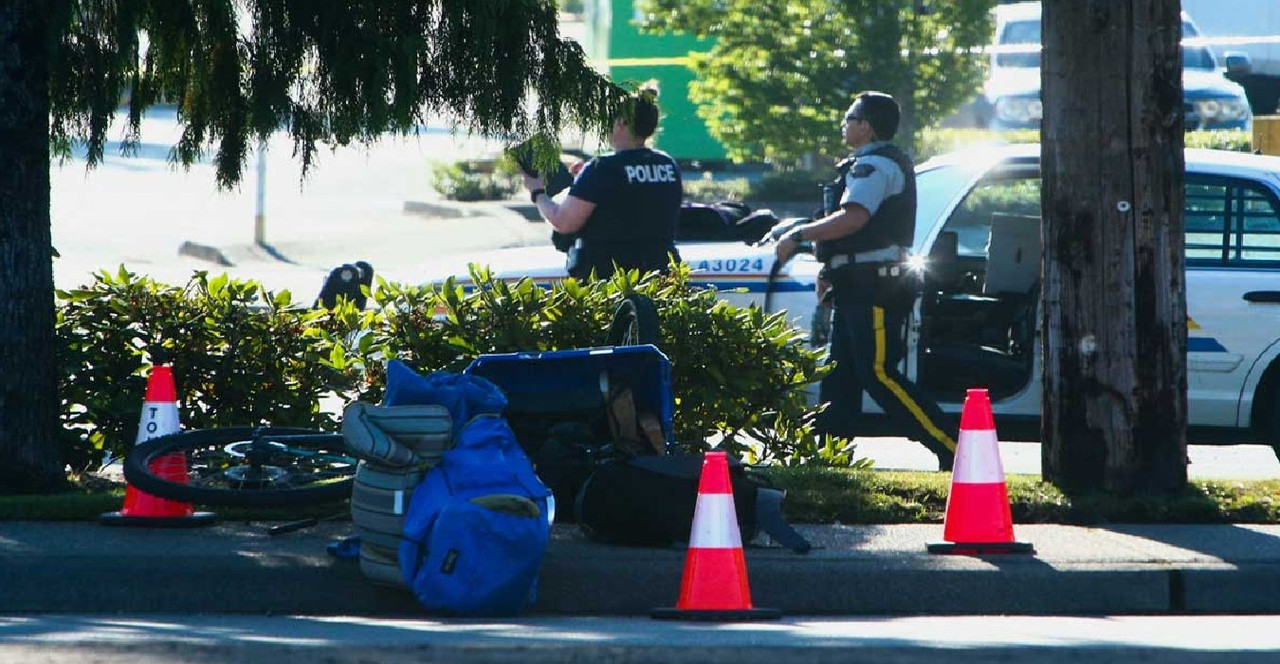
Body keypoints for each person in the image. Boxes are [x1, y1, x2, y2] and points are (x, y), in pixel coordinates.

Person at [773, 91, 956, 471]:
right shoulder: (867, 164)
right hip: (857, 282)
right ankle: (827, 462)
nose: (844, 124)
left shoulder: (873, 167)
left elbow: (853, 219)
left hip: (875, 287)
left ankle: (952, 446)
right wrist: (830, 270)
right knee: (839, 376)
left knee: (877, 374)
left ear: (866, 126)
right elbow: (853, 236)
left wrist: (799, 236)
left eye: (849, 117)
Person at [521, 87, 683, 280]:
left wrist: (537, 192)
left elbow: (564, 222)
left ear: (622, 123)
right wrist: (585, 181)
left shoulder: (603, 168)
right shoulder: (667, 165)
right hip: (661, 274)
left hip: (611, 281)